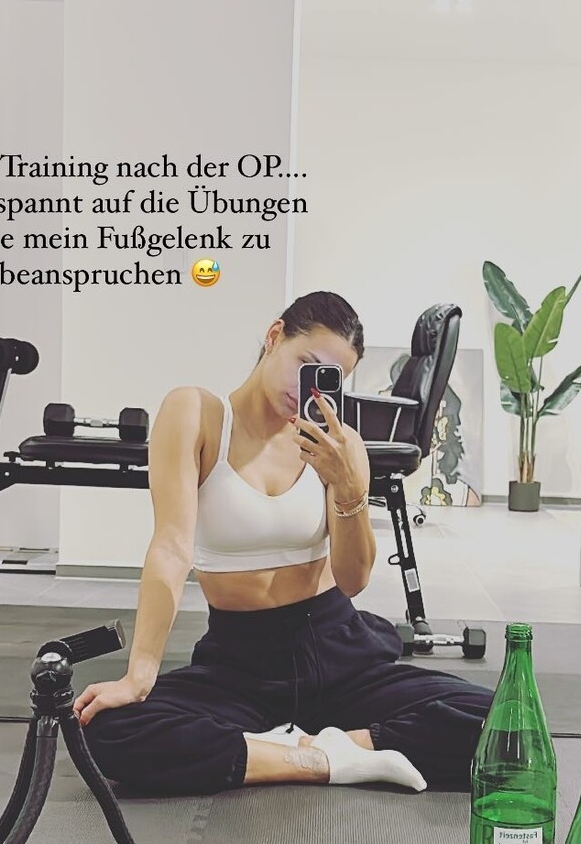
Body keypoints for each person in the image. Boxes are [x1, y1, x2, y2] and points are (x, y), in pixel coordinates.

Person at [77, 291, 493, 796]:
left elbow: (354, 579)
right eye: (306, 364)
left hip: (339, 653)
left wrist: (348, 487)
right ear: (275, 336)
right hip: (238, 666)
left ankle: (286, 749)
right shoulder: (196, 413)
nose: (308, 389)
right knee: (107, 729)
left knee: (500, 722)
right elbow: (170, 548)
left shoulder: (341, 445)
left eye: (329, 377)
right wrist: (139, 675)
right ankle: (324, 758)